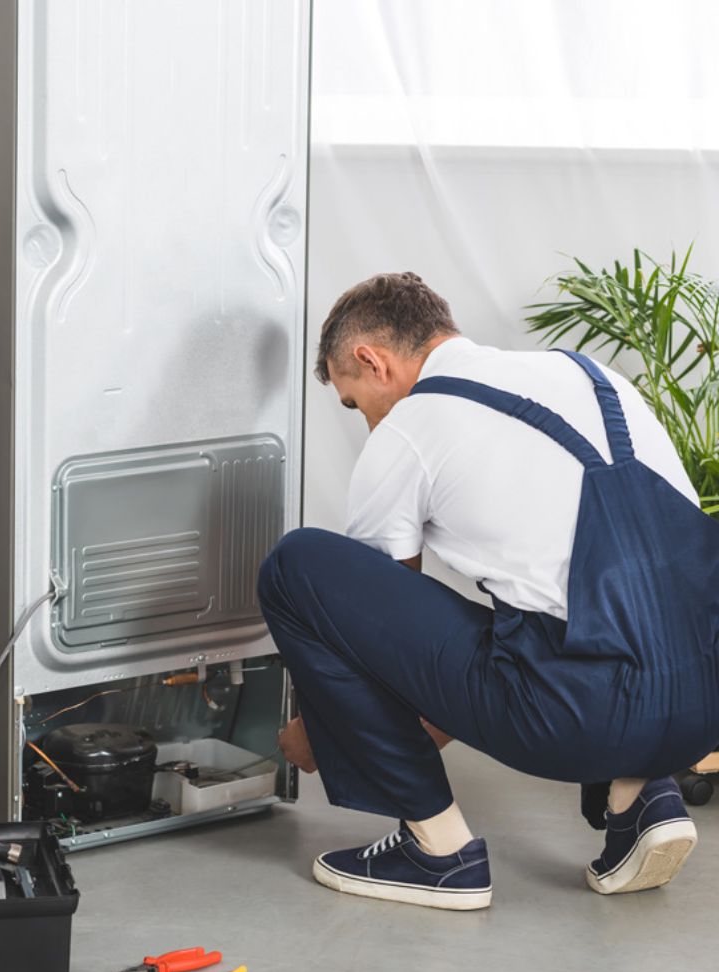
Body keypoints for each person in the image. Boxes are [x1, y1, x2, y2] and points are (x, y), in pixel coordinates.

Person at [258, 272, 719, 910]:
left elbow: (384, 658)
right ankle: (640, 795)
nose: (367, 421)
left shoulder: (409, 427)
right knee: (595, 607)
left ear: (372, 360)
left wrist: (319, 732)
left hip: (581, 719)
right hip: (704, 707)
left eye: (355, 401)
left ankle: (438, 851)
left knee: (296, 565)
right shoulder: (593, 377)